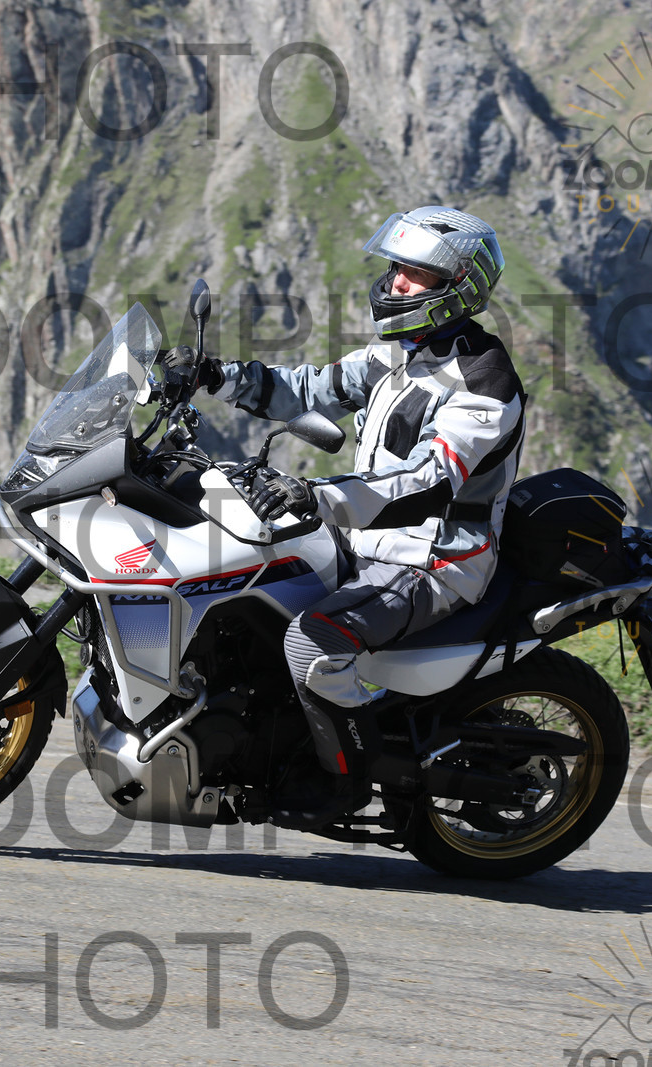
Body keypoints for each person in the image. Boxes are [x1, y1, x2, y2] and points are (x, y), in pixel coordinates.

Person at [164, 206, 526, 829]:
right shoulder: (401, 354)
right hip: (364, 541)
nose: (397, 282)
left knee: (311, 640)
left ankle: (343, 780)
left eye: (417, 274)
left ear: (459, 287)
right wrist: (215, 376)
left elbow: (424, 483)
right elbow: (309, 389)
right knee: (236, 575)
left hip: (431, 560)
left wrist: (316, 495)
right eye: (397, 267)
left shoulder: (483, 384)